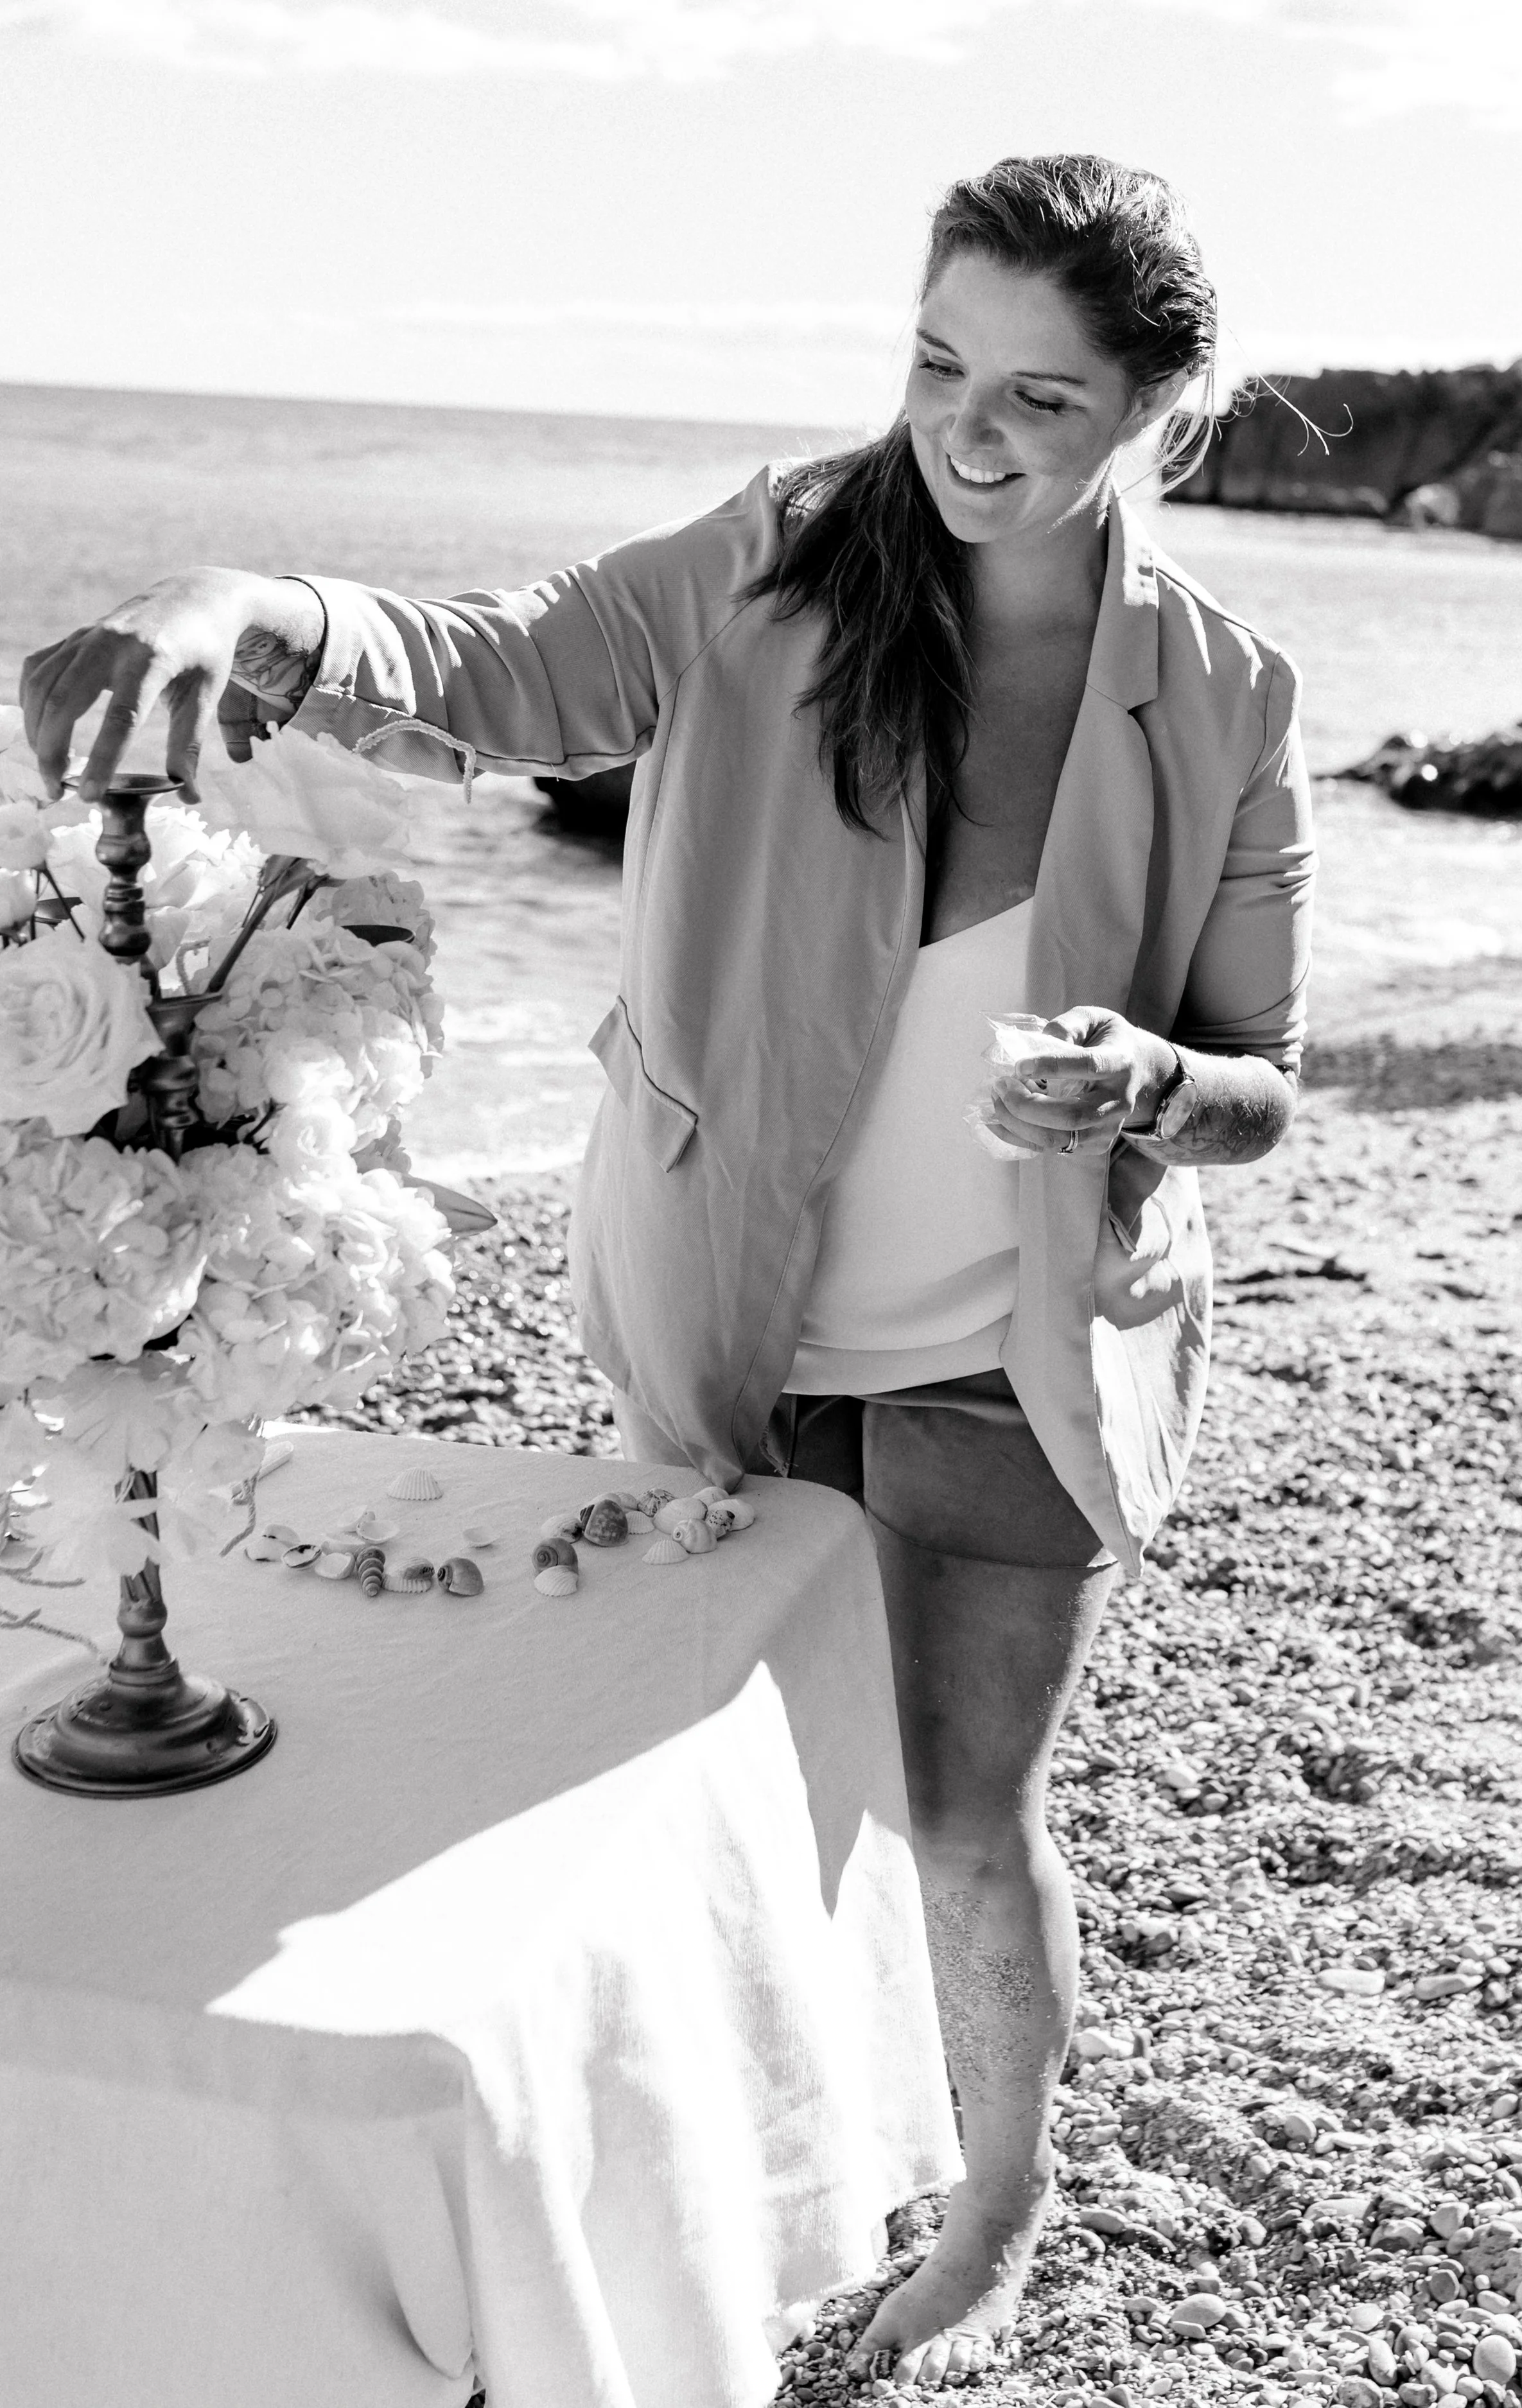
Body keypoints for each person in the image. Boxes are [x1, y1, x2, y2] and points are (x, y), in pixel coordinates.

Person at [23, 153, 1314, 2391]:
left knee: (956, 1809)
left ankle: (992, 2210)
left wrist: (1145, 1081)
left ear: (1157, 414)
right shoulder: (779, 555)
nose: (963, 433)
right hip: (728, 1299)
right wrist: (258, 601)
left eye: (1038, 397)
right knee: (696, 1808)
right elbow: (498, 666)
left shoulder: (1216, 692)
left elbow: (1264, 1079)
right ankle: (723, 2191)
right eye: (936, 363)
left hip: (1010, 1345)